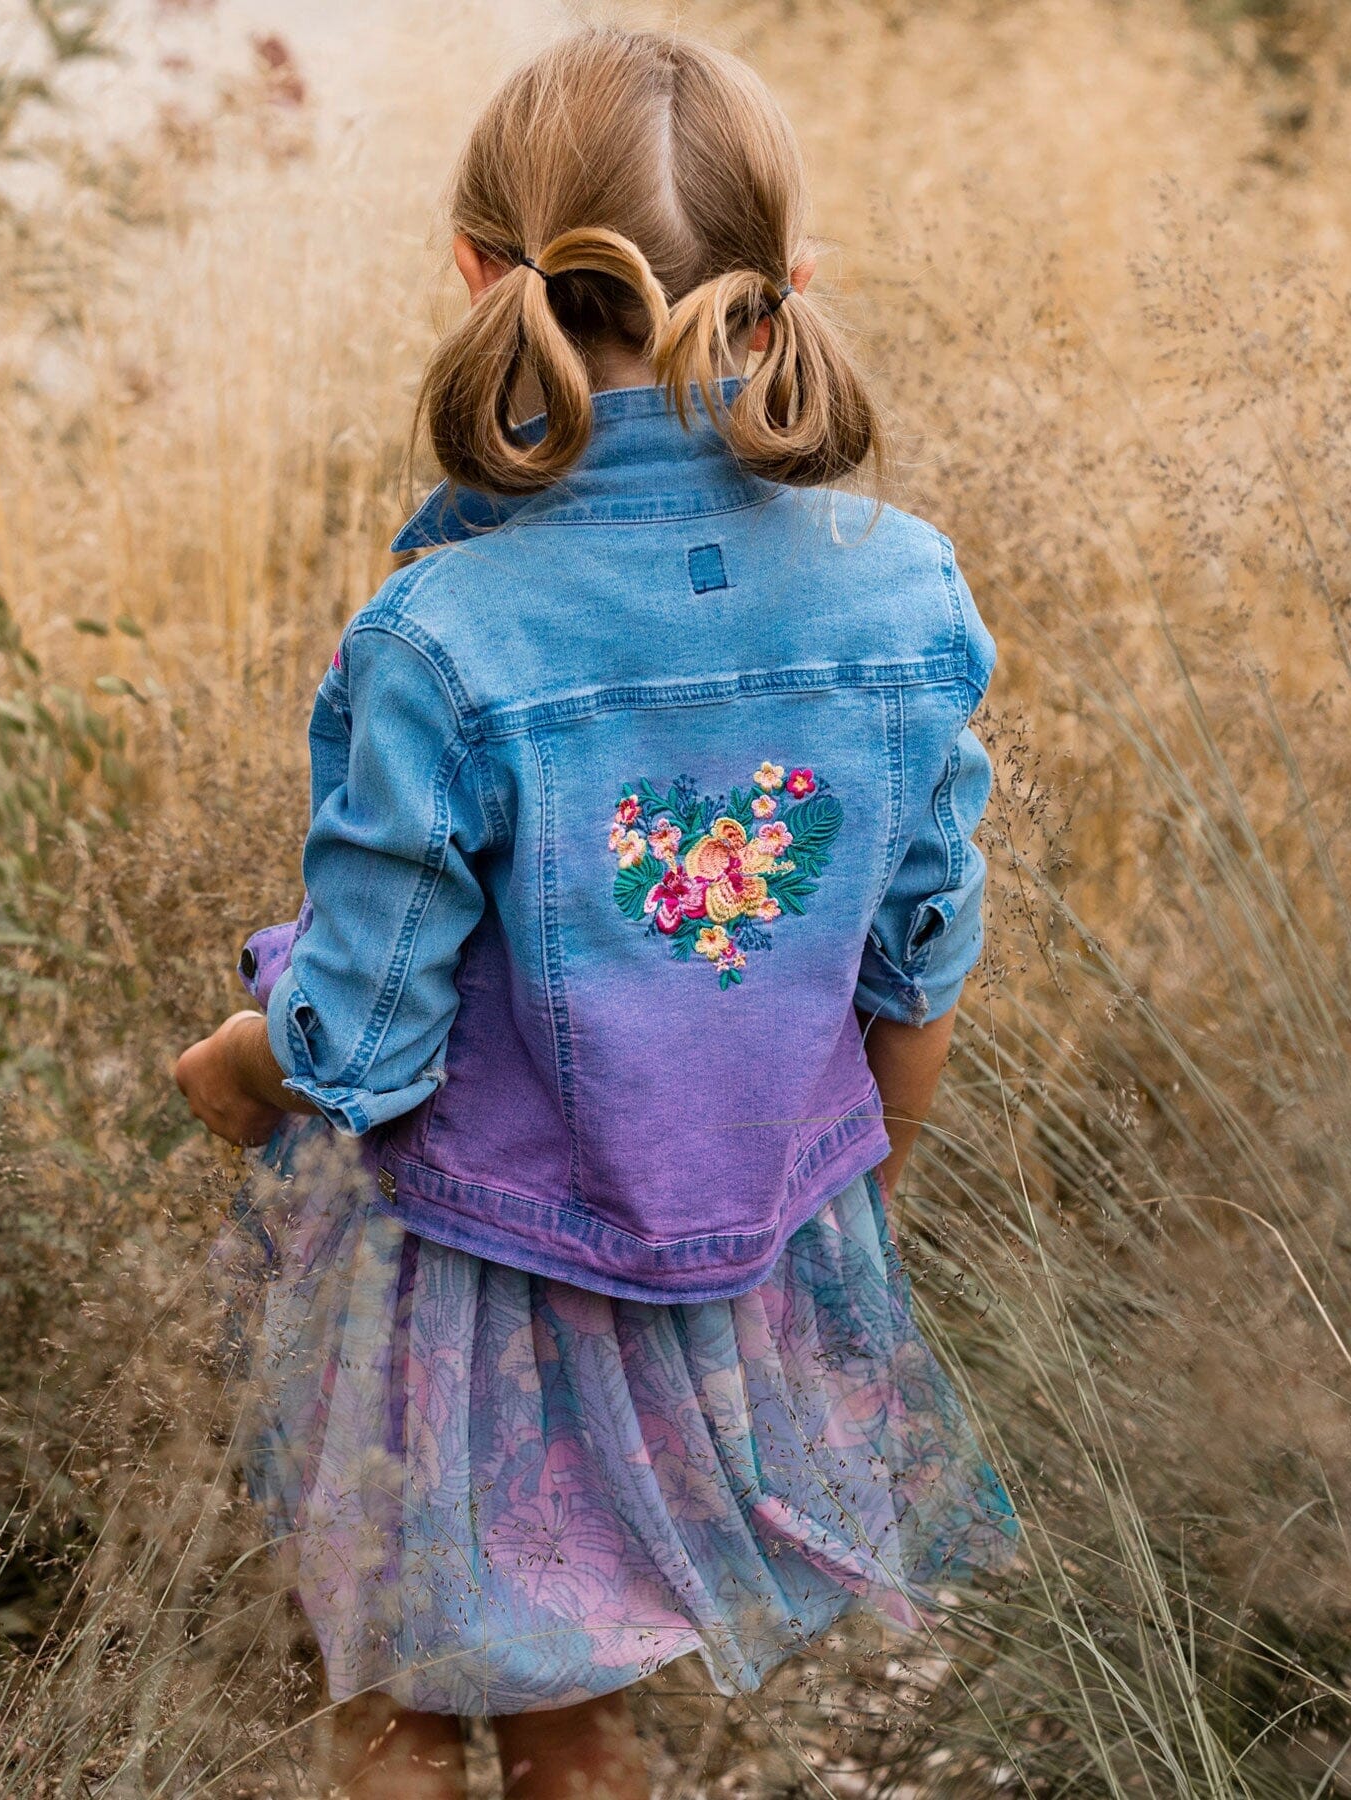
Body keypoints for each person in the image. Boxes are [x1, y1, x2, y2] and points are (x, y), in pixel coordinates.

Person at [175, 27, 1019, 1799]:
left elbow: (368, 1044)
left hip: (471, 1272)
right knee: (582, 1717)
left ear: (483, 280)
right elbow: (914, 970)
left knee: (398, 1700)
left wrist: (247, 1064)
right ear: (789, 294)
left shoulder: (446, 632)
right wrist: (812, 1220)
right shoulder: (907, 589)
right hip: (740, 1261)